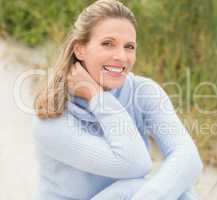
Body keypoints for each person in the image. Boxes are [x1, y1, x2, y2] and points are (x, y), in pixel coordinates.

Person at [32, 0, 203, 199]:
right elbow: (134, 164)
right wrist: (97, 97)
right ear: (80, 49)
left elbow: (189, 159)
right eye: (108, 44)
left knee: (180, 189)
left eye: (129, 47)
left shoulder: (142, 91)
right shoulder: (50, 118)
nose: (121, 56)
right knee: (136, 186)